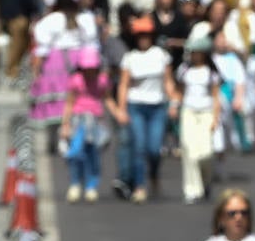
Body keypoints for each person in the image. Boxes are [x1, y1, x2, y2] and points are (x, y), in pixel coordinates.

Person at [116, 16, 175, 204]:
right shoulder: (130, 57)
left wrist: (174, 102)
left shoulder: (161, 55)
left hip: (157, 106)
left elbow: (168, 81)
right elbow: (124, 85)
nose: (143, 39)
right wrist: (121, 109)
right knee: (139, 146)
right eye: (140, 35)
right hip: (136, 106)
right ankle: (140, 185)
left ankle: (154, 174)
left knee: (154, 148)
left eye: (147, 35)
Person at [31, 0, 102, 146]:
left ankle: (61, 135)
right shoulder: (85, 19)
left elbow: (41, 51)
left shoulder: (50, 21)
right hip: (78, 62)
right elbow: (92, 45)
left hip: (56, 64)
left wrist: (36, 72)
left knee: (60, 101)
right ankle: (75, 134)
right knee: (76, 100)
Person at [60, 45, 115, 204]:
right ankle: (75, 183)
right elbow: (69, 103)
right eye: (86, 68)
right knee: (75, 153)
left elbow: (107, 99)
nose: (89, 72)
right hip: (79, 120)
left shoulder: (102, 81)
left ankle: (92, 186)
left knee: (94, 155)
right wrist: (65, 124)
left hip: (96, 121)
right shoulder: (76, 81)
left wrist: (117, 112)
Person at [175, 33, 221, 205]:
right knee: (189, 150)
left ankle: (206, 181)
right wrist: (174, 105)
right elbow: (179, 91)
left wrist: (216, 118)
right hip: (189, 112)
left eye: (198, 52)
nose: (195, 55)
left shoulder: (211, 73)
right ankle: (192, 190)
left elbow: (216, 97)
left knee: (206, 152)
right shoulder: (184, 70)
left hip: (206, 112)